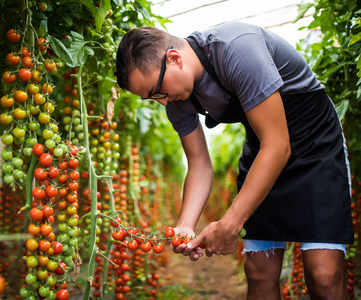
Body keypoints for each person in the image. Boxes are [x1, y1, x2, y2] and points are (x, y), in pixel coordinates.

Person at [114, 22, 354, 299]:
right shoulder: (178, 101)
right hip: (263, 148)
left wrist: (230, 222)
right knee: (258, 272)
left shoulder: (236, 49)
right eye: (152, 98)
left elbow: (278, 145)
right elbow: (200, 165)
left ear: (174, 58)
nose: (163, 102)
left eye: (158, 91)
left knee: (323, 276)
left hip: (315, 145)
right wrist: (185, 223)